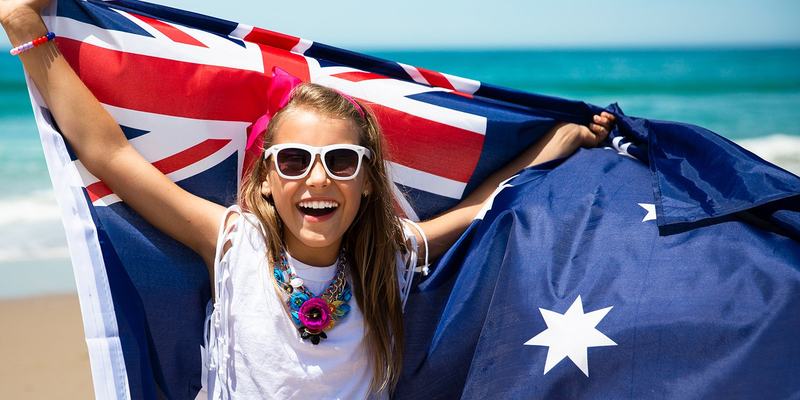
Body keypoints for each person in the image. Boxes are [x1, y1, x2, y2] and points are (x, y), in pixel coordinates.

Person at [1, 0, 616, 398]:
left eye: (341, 162)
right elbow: (112, 155)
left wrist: (558, 142)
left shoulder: (388, 256)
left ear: (369, 178)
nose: (317, 179)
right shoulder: (235, 243)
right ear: (266, 176)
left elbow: (484, 207)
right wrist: (28, 34)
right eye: (294, 160)